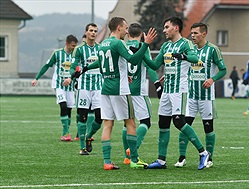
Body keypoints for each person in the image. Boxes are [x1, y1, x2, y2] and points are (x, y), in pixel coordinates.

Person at [83, 17, 157, 170]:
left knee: (107, 125)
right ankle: (134, 159)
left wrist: (124, 74)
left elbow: (105, 67)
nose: (126, 30)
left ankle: (107, 161)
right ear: (118, 27)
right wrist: (146, 44)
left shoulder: (103, 44)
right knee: (130, 123)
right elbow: (133, 60)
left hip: (105, 89)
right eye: (125, 27)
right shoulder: (118, 43)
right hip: (120, 90)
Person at [140, 17, 210, 170]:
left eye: (166, 27)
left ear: (176, 28)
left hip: (180, 90)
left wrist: (183, 56)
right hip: (167, 91)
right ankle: (161, 160)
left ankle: (203, 152)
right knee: (163, 124)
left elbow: (195, 57)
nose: (164, 30)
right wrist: (143, 49)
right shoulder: (165, 46)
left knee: (178, 121)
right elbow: (154, 64)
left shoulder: (186, 44)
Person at [174, 22, 227, 168]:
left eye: (196, 33)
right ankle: (182, 158)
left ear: (204, 34)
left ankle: (209, 158)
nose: (193, 36)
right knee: (184, 125)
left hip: (206, 98)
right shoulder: (190, 50)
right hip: (190, 96)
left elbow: (223, 70)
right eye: (191, 33)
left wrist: (212, 79)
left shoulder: (213, 50)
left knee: (208, 128)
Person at [122, 23, 163, 165]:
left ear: (128, 34)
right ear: (141, 35)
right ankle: (133, 150)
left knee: (127, 124)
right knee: (145, 122)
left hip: (124, 91)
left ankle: (127, 156)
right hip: (138, 91)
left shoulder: (122, 46)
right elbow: (150, 66)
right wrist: (157, 84)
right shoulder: (143, 46)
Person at [64, 23, 103, 155]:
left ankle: (88, 136)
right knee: (83, 117)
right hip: (84, 88)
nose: (93, 33)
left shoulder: (101, 48)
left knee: (99, 117)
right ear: (85, 32)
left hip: (98, 88)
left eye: (95, 31)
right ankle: (82, 147)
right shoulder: (79, 49)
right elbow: (73, 65)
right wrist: (70, 77)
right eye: (91, 30)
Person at [31, 34, 78, 141]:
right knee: (63, 105)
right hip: (59, 84)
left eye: (75, 46)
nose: (73, 48)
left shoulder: (76, 55)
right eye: (72, 46)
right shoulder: (57, 53)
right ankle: (65, 133)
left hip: (70, 86)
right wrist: (36, 78)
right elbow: (47, 65)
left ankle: (66, 132)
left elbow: (77, 70)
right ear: (66, 43)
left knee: (69, 109)